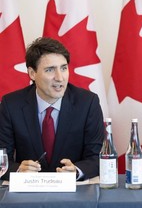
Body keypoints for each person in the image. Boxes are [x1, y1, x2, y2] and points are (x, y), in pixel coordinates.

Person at [0, 37, 104, 180]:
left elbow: (98, 157)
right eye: (50, 70)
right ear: (32, 73)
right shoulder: (11, 104)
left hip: (75, 195)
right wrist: (18, 171)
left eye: (64, 68)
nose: (60, 78)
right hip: (28, 193)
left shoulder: (87, 103)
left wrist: (77, 171)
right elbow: (1, 158)